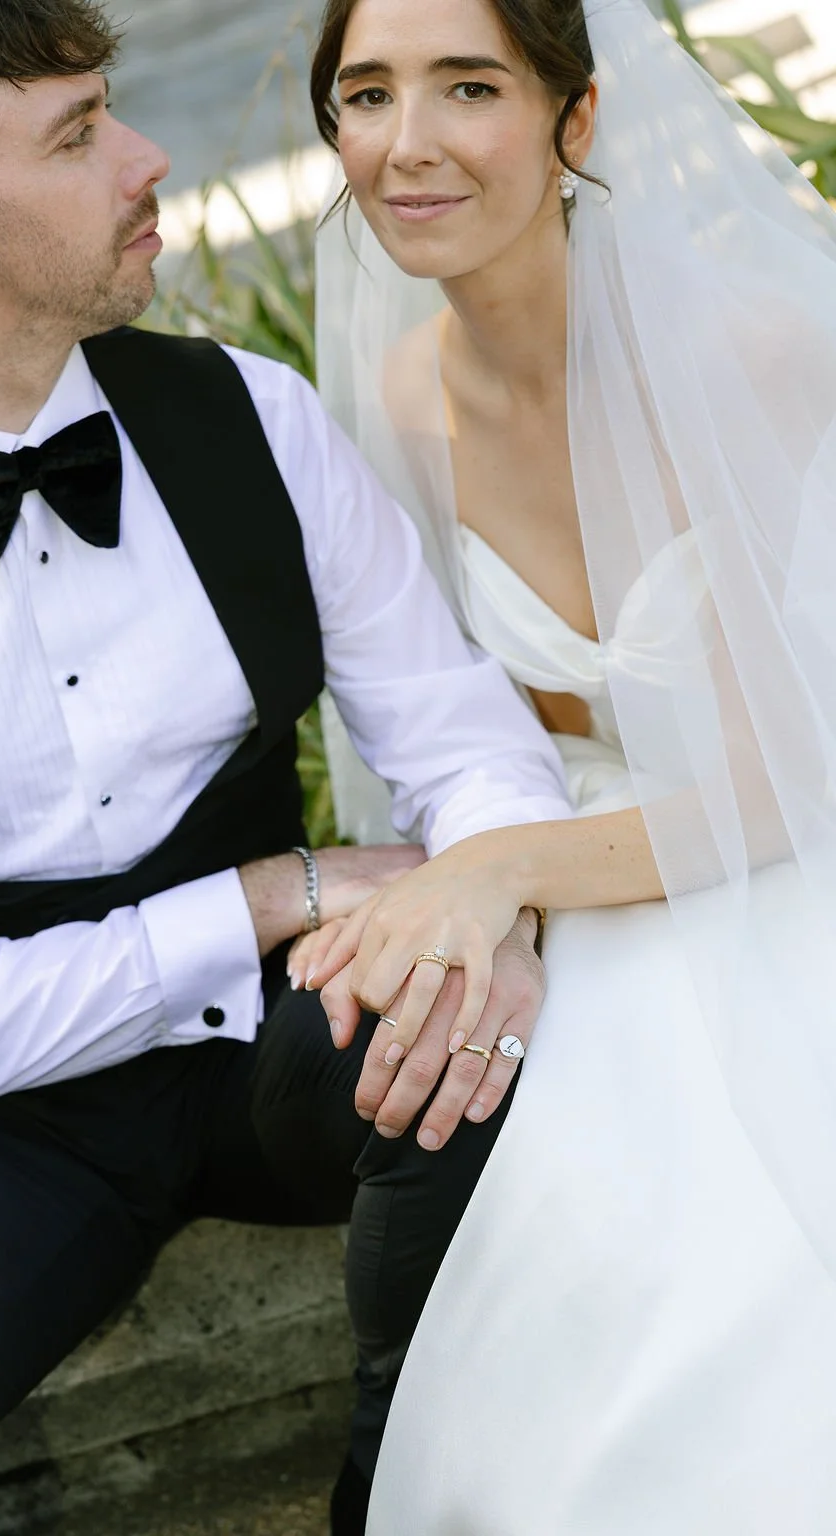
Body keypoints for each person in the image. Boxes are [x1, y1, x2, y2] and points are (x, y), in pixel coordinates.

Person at [0, 3, 578, 1532]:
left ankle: (395, 1497)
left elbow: (467, 742)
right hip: (3, 1116)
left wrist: (481, 902)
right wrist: (270, 889)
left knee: (476, 1056)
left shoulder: (257, 421)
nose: (145, 158)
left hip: (290, 1036)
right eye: (82, 134)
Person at [299, 0, 836, 1529]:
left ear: (576, 123)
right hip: (588, 874)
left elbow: (788, 771)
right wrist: (479, 880)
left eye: (469, 87)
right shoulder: (406, 398)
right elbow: (461, 736)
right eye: (367, 93)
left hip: (792, 850)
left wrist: (501, 870)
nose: (409, 145)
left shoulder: (753, 349)